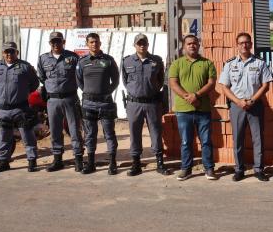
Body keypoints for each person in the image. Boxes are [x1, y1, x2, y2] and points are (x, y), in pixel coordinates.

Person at [218, 32, 272, 182]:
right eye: (241, 43)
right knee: (238, 138)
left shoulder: (259, 63)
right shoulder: (230, 64)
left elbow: (266, 84)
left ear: (251, 44)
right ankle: (239, 169)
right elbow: (224, 87)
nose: (244, 45)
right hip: (237, 106)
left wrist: (252, 100)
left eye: (247, 42)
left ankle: (259, 169)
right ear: (237, 45)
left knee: (258, 139)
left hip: (255, 105)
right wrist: (238, 101)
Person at [168, 34, 217, 181]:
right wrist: (187, 97)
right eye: (189, 43)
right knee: (185, 141)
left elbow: (211, 83)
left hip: (203, 109)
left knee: (206, 140)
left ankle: (209, 168)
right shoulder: (177, 64)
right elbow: (173, 83)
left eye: (195, 43)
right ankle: (186, 169)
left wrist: (196, 95)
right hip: (183, 110)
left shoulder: (207, 63)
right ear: (184, 46)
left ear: (198, 45)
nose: (192, 45)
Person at [121, 34, 170, 177]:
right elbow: (125, 80)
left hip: (152, 103)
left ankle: (160, 162)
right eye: (139, 43)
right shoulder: (127, 61)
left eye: (144, 43)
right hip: (134, 103)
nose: (141, 46)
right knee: (134, 133)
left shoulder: (156, 61)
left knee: (156, 132)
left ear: (148, 45)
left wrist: (151, 91)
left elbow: (161, 81)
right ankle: (136, 163)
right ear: (134, 45)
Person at [0, 41, 40, 172]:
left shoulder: (25, 67)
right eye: (6, 52)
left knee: (27, 136)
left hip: (21, 109)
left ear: (17, 52)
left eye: (12, 51)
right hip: (4, 110)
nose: (9, 54)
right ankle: (4, 162)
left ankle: (32, 161)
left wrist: (23, 92)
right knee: (4, 136)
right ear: (3, 53)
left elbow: (34, 84)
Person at [37, 31, 84, 172]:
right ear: (50, 43)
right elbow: (42, 77)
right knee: (55, 130)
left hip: (70, 99)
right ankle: (57, 160)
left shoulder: (73, 57)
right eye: (53, 42)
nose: (56, 44)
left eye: (58, 41)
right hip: (52, 101)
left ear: (63, 42)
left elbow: (80, 76)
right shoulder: (43, 59)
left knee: (75, 129)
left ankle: (78, 158)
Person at [76, 32, 120, 175]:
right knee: (90, 134)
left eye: (96, 42)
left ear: (100, 43)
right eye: (91, 42)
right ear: (87, 44)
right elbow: (79, 81)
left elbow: (116, 80)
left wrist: (106, 92)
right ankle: (91, 163)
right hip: (88, 104)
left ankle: (112, 163)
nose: (94, 44)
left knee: (109, 133)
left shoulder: (109, 60)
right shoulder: (82, 62)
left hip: (105, 103)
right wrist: (90, 92)